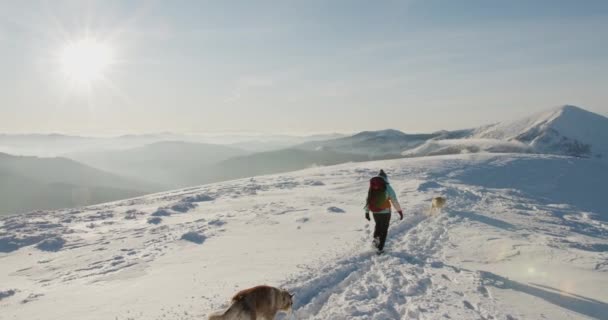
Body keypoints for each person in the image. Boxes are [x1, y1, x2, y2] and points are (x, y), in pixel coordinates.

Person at [365, 169, 403, 254]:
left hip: (375, 212)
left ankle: (375, 241)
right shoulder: (387, 186)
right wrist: (399, 211)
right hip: (385, 212)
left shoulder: (372, 186)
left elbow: (368, 199)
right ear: (385, 178)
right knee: (384, 230)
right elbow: (394, 200)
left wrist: (367, 212)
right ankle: (380, 249)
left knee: (378, 226)